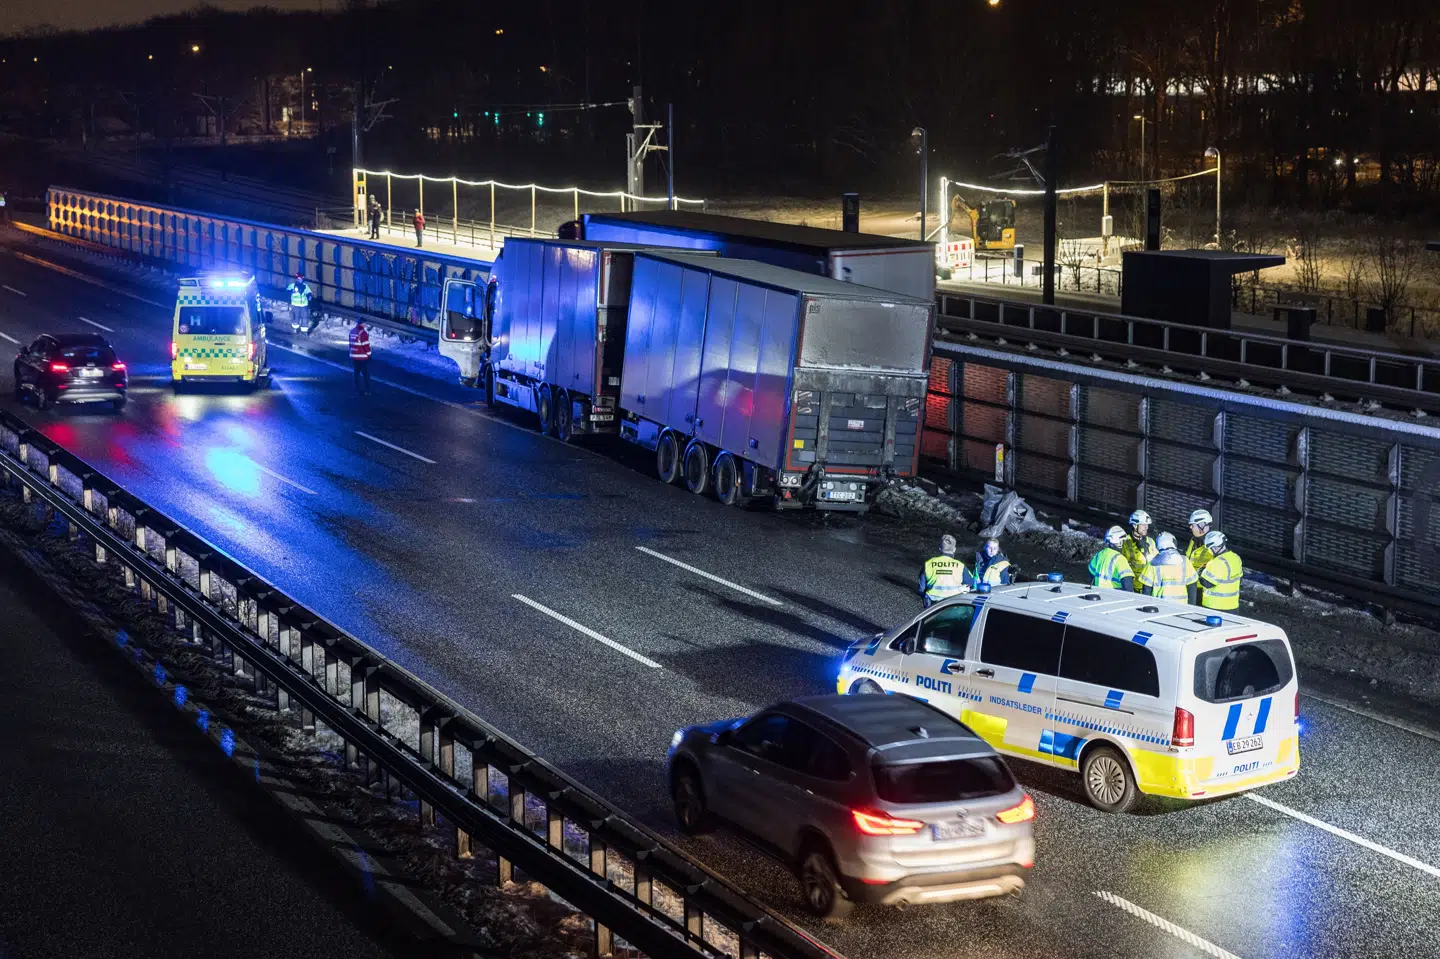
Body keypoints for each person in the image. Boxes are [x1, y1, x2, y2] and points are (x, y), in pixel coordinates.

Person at [1138, 531, 1198, 603]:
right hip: (1182, 606)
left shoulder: (1152, 563)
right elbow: (1192, 586)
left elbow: (1146, 589)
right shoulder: (1184, 561)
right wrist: (1192, 606)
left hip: (1159, 606)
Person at [919, 534, 973, 607]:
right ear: (954, 550)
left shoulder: (929, 563)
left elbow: (921, 586)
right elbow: (970, 583)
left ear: (940, 549)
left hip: (932, 603)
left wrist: (923, 595)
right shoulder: (960, 566)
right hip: (952, 604)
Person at [1198, 530, 1242, 611]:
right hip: (1233, 606)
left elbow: (1207, 583)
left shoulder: (1216, 562)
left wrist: (1201, 570)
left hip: (1215, 607)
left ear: (1214, 547)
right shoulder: (1236, 557)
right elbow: (1239, 578)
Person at [1120, 509, 1158, 592]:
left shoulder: (1151, 541)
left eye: (1147, 525)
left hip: (1150, 587)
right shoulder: (1125, 542)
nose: (1146, 527)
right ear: (1134, 525)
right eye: (1143, 525)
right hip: (1134, 588)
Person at [1089, 526, 1134, 591]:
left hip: (1099, 593)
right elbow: (1127, 583)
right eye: (1123, 541)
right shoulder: (1120, 559)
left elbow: (1091, 574)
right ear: (1120, 542)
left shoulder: (1099, 554)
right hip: (1116, 595)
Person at [349, 319, 372, 393]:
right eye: (365, 323)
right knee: (365, 373)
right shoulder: (363, 333)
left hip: (354, 356)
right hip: (362, 357)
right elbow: (366, 345)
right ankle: (368, 389)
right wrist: (369, 355)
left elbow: (350, 344)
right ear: (361, 324)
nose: (366, 325)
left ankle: (357, 389)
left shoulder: (352, 331)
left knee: (356, 373)